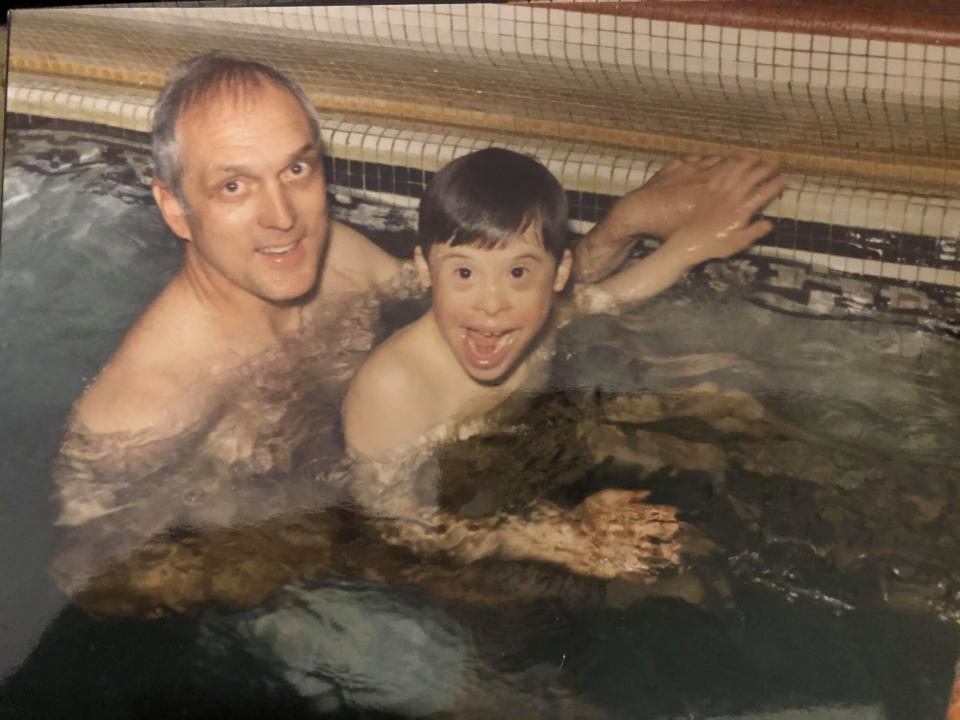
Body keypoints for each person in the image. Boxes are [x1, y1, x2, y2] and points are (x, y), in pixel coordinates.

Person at [342, 147, 785, 460]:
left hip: (526, 435)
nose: (492, 304)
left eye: (518, 273)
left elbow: (609, 295)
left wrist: (691, 247)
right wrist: (563, 541)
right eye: (464, 273)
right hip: (463, 504)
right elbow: (395, 528)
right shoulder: (394, 388)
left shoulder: (533, 324)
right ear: (425, 271)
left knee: (732, 408)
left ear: (556, 274)